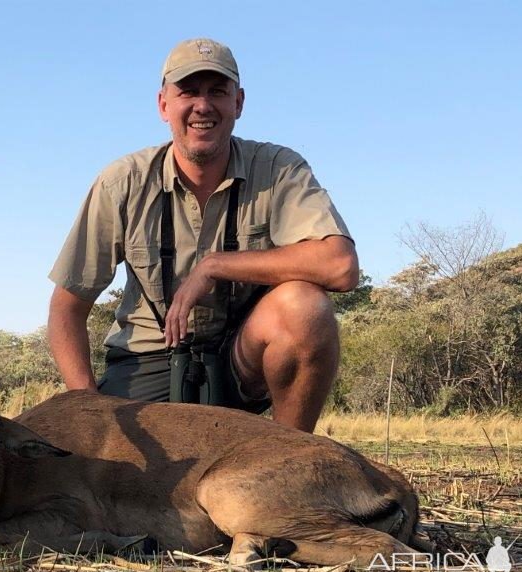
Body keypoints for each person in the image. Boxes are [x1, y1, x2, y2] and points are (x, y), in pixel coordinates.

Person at [48, 38, 358, 433]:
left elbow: (341, 266)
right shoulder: (121, 182)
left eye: (218, 92)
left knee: (305, 307)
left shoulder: (279, 169)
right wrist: (89, 408)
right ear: (163, 105)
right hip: (146, 360)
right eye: (188, 92)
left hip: (237, 360)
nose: (203, 106)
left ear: (239, 103)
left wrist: (215, 266)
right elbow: (66, 307)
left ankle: (290, 458)